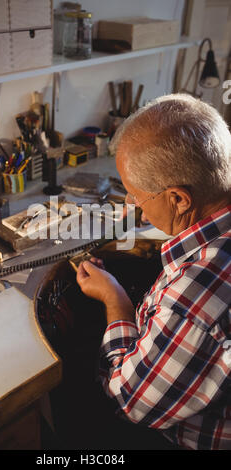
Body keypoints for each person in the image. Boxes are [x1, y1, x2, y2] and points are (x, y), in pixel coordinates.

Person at [76, 94, 231, 450]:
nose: (138, 212)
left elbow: (130, 402)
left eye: (136, 197)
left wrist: (116, 302)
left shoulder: (193, 300)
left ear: (178, 198)